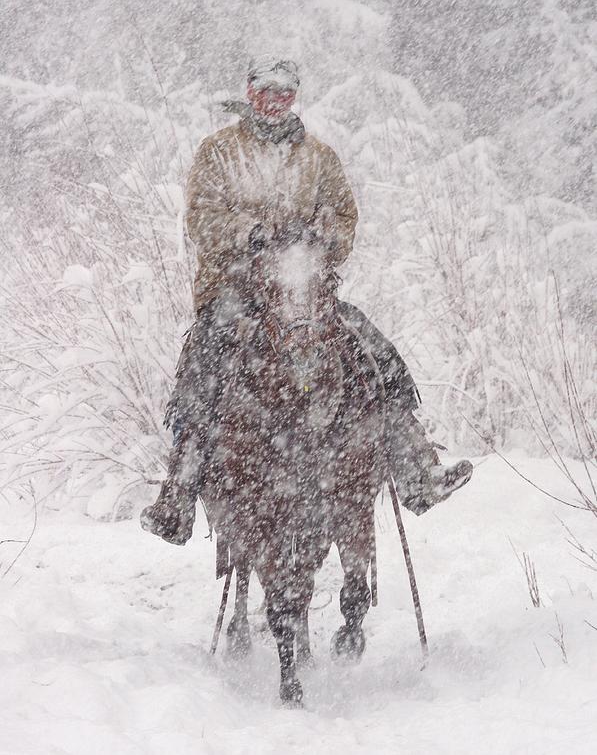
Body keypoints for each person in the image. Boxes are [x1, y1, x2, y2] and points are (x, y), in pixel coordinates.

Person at [141, 56, 472, 545]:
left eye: (285, 91)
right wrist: (254, 234)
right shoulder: (218, 151)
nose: (275, 100)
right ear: (249, 92)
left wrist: (319, 237)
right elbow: (201, 219)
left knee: (376, 354)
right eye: (265, 90)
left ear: (294, 97)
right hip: (236, 290)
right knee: (203, 367)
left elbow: (344, 216)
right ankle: (179, 493)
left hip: (305, 289)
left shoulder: (319, 156)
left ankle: (417, 470)